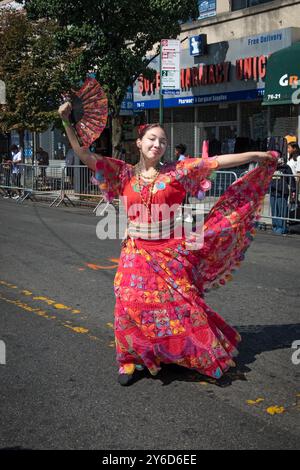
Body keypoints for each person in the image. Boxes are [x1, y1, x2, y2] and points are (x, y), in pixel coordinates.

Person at [58, 102, 277, 387]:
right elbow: (83, 153)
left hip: (170, 252)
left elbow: (218, 162)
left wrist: (258, 154)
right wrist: (66, 121)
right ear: (139, 143)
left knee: (179, 307)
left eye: (163, 141)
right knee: (127, 302)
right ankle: (130, 359)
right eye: (152, 138)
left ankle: (194, 355)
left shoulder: (177, 172)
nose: (158, 144)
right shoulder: (122, 173)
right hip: (135, 251)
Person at [270, 155, 296, 235]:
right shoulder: (270, 167)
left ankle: (282, 229)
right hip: (273, 192)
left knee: (282, 212)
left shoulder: (286, 167)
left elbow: (291, 179)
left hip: (282, 192)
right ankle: (275, 228)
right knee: (274, 212)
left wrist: (293, 190)